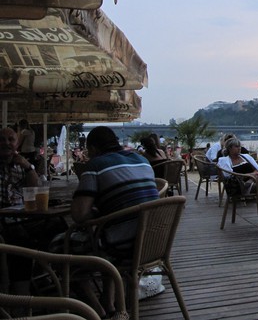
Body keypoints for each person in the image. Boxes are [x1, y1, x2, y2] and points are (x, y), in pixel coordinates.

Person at [70, 126, 159, 317]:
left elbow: (78, 214)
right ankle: (108, 303)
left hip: (122, 247)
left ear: (92, 149)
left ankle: (101, 313)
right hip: (153, 245)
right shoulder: (142, 160)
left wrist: (96, 211)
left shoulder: (95, 165)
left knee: (62, 250)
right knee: (106, 231)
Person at [0, 127, 64, 295]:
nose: (6, 143)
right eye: (2, 140)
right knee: (19, 239)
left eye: (10, 140)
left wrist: (28, 167)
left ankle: (42, 269)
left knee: (58, 225)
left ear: (17, 143)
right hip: (4, 220)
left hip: (21, 215)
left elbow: (36, 190)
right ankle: (21, 292)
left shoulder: (21, 164)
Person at [218, 137, 258, 222]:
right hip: (238, 187)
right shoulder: (225, 161)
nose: (239, 148)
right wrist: (250, 175)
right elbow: (229, 176)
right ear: (229, 148)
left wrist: (250, 177)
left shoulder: (245, 157)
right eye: (236, 146)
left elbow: (257, 170)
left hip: (252, 182)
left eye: (239, 146)